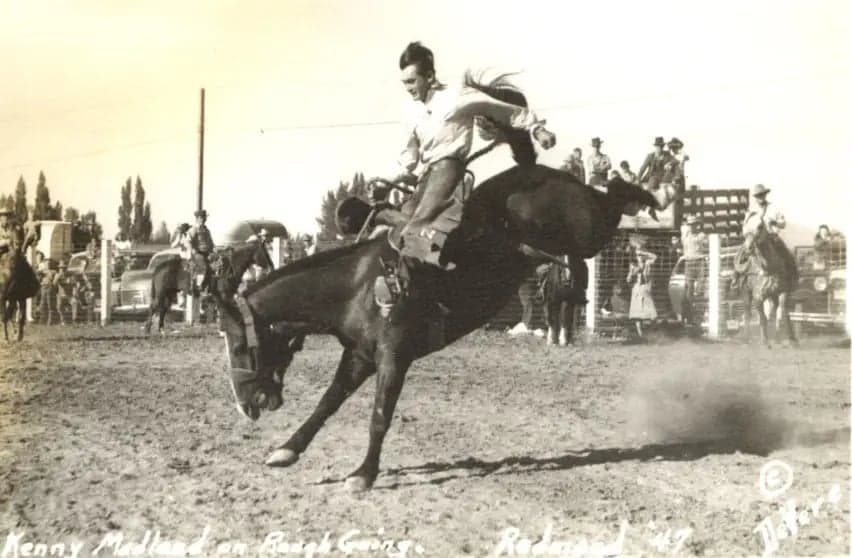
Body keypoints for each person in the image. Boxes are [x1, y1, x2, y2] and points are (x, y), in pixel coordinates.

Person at [371, 42, 556, 307]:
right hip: (426, 174)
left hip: (449, 168)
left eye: (412, 81)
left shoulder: (457, 95)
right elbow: (410, 154)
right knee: (399, 223)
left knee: (418, 224)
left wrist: (538, 130)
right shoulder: (411, 112)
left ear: (430, 77)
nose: (409, 88)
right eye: (405, 83)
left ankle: (413, 291)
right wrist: (394, 178)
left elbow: (506, 110)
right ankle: (417, 282)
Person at [627, 235, 658, 336]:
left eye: (640, 254)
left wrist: (643, 253)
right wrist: (632, 274)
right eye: (637, 254)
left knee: (651, 313)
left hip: (645, 287)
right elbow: (628, 279)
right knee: (636, 314)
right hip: (636, 288)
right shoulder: (632, 264)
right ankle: (640, 335)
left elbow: (655, 257)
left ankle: (652, 332)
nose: (638, 256)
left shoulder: (648, 262)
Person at [681, 215, 708, 324]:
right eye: (690, 225)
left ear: (698, 225)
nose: (692, 227)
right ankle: (689, 316)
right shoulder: (685, 236)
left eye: (694, 225)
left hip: (700, 261)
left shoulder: (702, 235)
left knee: (701, 287)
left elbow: (706, 247)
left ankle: (700, 314)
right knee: (689, 290)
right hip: (689, 262)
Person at [186, 210, 214, 292]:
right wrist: (192, 250)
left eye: (204, 218)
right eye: (202, 218)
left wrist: (214, 250)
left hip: (207, 253)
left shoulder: (206, 230)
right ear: (197, 218)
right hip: (197, 253)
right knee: (202, 265)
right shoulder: (194, 229)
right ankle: (198, 286)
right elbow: (188, 241)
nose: (204, 219)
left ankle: (210, 287)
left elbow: (211, 243)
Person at [54, 261, 72, 326]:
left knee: (68, 307)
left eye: (64, 268)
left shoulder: (69, 275)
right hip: (60, 294)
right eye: (61, 268)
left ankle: (68, 320)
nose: (62, 270)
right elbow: (54, 284)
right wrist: (58, 278)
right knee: (59, 307)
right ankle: (63, 320)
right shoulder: (57, 275)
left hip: (68, 294)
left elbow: (72, 283)